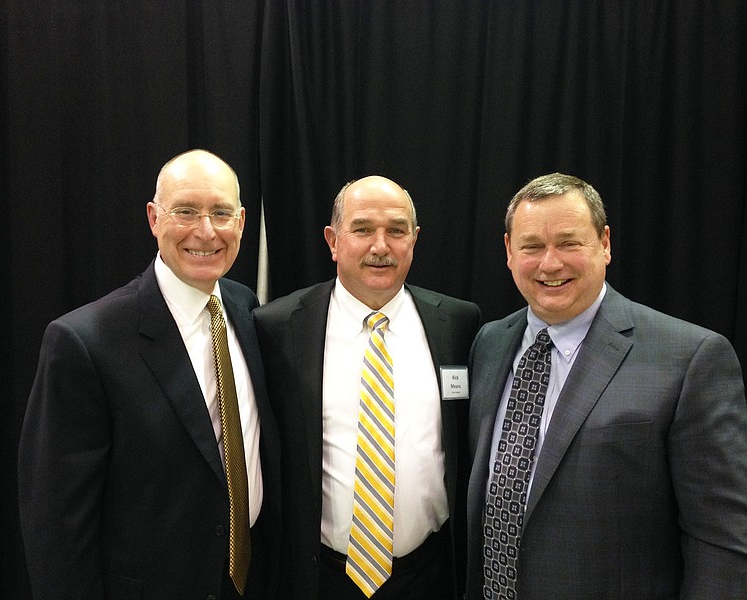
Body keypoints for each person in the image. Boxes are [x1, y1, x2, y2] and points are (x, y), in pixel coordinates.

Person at [466, 172, 747, 599]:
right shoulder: (489, 343)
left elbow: (722, 542)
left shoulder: (691, 358)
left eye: (569, 243)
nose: (550, 263)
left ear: (605, 244)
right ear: (509, 251)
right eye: (532, 246)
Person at [19, 149, 281, 599]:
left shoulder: (245, 309)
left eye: (220, 213)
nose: (205, 231)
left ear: (241, 222)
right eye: (185, 211)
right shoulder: (84, 342)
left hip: (251, 581)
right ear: (153, 218)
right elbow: (57, 526)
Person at [254, 175, 481, 600]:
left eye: (396, 231)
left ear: (414, 240)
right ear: (333, 240)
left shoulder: (457, 323)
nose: (381, 246)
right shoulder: (279, 326)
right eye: (362, 229)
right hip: (321, 576)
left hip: (429, 575)